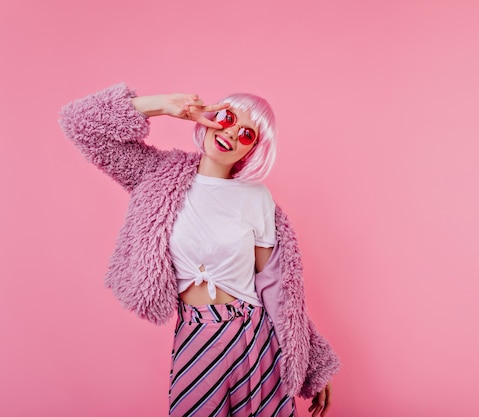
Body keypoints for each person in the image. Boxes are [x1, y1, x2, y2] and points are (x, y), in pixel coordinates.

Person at [59, 83, 340, 417]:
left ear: (250, 151)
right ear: (210, 116)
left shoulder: (256, 198)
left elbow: (280, 290)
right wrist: (163, 105)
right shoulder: (157, 174)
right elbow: (80, 123)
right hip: (196, 332)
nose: (232, 133)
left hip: (255, 335)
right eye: (227, 117)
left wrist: (314, 361)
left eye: (247, 134)